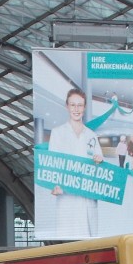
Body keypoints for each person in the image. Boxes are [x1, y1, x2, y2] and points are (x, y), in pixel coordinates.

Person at [47, 87, 104, 235]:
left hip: (87, 199)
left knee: (90, 239)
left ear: (84, 107)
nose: (76, 109)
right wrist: (55, 185)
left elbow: (99, 167)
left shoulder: (91, 135)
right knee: (68, 238)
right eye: (73, 105)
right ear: (67, 106)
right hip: (67, 199)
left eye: (79, 105)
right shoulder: (58, 133)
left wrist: (99, 162)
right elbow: (53, 163)